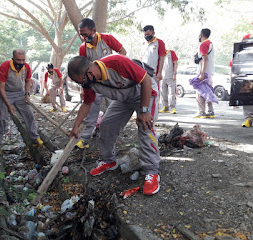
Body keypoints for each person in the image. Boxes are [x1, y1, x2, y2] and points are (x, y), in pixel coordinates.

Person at [67, 55, 161, 196]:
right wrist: (76, 126)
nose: (83, 85)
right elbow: (87, 103)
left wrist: (144, 111)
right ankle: (109, 161)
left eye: (82, 81)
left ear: (89, 72)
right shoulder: (89, 83)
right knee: (106, 125)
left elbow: (146, 80)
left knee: (145, 126)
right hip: (124, 99)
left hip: (145, 93)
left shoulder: (117, 62)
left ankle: (152, 172)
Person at [75, 17, 127, 149]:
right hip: (95, 84)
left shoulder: (107, 39)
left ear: (94, 31)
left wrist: (117, 69)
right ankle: (85, 138)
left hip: (111, 81)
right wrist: (83, 90)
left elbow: (122, 52)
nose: (83, 38)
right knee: (91, 108)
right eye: (81, 35)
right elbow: (83, 71)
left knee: (114, 107)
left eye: (86, 34)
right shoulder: (83, 49)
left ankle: (114, 135)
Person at [0, 49, 43, 156]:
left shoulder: (27, 67)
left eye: (23, 60)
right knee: (2, 119)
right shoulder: (4, 67)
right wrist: (9, 105)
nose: (20, 62)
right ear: (13, 59)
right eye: (18, 60)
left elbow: (28, 80)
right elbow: (1, 88)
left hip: (20, 93)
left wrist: (27, 93)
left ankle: (35, 139)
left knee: (29, 115)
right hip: (5, 94)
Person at [230, 33, 253, 127]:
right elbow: (234, 67)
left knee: (247, 99)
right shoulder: (241, 52)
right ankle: (249, 119)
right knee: (246, 98)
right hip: (246, 77)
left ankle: (249, 118)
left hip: (247, 77)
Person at [194, 28, 215, 118]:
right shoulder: (210, 44)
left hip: (204, 72)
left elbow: (204, 59)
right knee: (208, 91)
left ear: (201, 34)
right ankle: (210, 111)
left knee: (200, 92)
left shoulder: (203, 44)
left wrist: (202, 73)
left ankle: (201, 111)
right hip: (209, 72)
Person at [159, 50, 178, 114]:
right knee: (163, 93)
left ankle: (173, 107)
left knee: (171, 93)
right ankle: (165, 107)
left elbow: (175, 62)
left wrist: (175, 74)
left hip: (170, 76)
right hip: (162, 77)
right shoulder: (159, 53)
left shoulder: (171, 52)